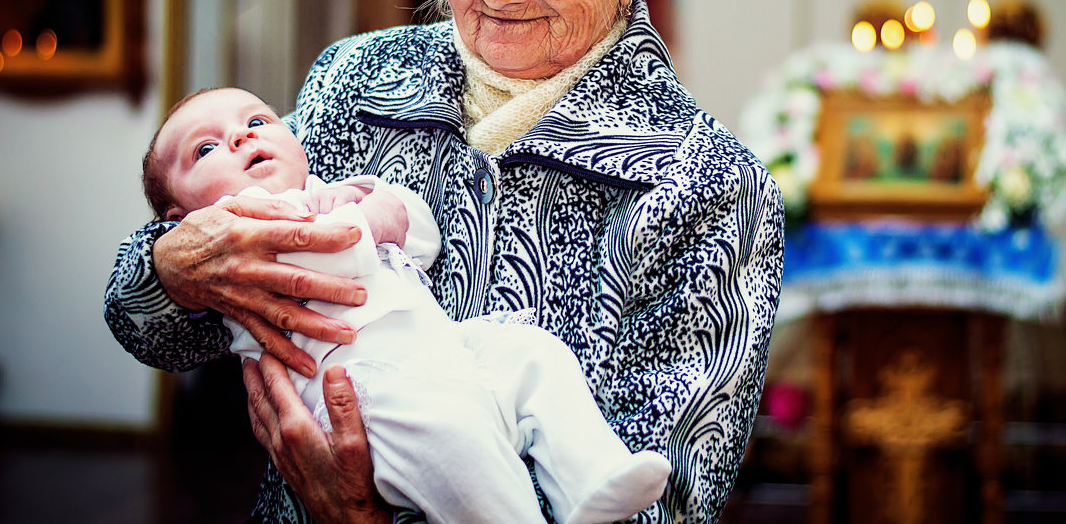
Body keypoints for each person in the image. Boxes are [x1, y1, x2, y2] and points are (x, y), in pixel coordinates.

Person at [105, 0, 785, 524]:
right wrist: (173, 266)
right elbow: (157, 328)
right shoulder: (359, 84)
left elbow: (667, 505)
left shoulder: (708, 186)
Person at [142, 85, 672, 524]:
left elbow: (424, 237)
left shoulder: (335, 192)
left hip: (446, 356)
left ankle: (591, 477)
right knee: (456, 447)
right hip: (369, 399)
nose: (241, 136)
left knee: (531, 351)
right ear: (179, 217)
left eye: (257, 118)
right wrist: (362, 221)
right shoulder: (232, 238)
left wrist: (382, 203)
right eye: (205, 150)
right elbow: (325, 259)